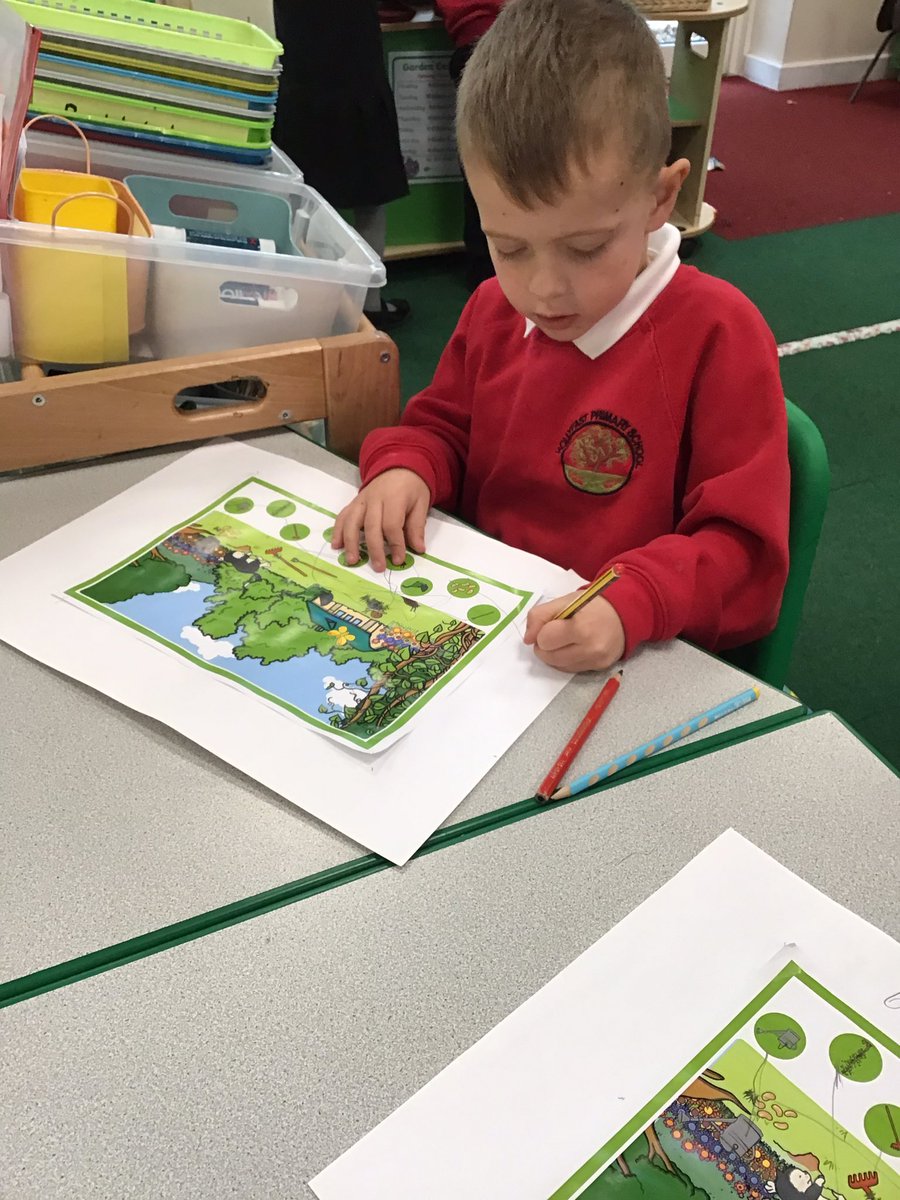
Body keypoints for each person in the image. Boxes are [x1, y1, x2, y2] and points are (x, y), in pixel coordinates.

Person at [332, 0, 790, 674]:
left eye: (584, 248)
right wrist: (407, 467)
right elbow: (443, 428)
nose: (543, 290)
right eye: (509, 247)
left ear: (662, 198)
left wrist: (633, 598)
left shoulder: (719, 333)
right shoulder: (492, 309)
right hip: (493, 639)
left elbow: (745, 557)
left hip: (635, 658)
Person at [272, 1, 410, 330]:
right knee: (370, 200)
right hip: (355, 77)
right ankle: (369, 305)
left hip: (305, 81)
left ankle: (308, 306)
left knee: (303, 203)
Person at [434, 0, 503, 290]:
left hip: (472, 47)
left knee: (479, 163)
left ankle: (483, 270)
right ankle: (490, 272)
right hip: (506, 40)